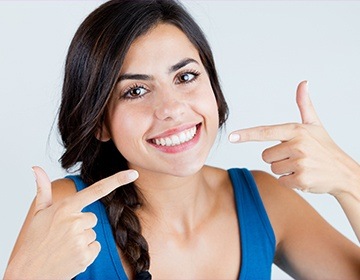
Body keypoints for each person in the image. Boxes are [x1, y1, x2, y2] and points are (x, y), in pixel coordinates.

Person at [4, 0, 360, 279]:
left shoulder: (265, 200)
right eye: (136, 90)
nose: (171, 109)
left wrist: (350, 181)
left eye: (186, 76)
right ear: (99, 122)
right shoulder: (69, 211)